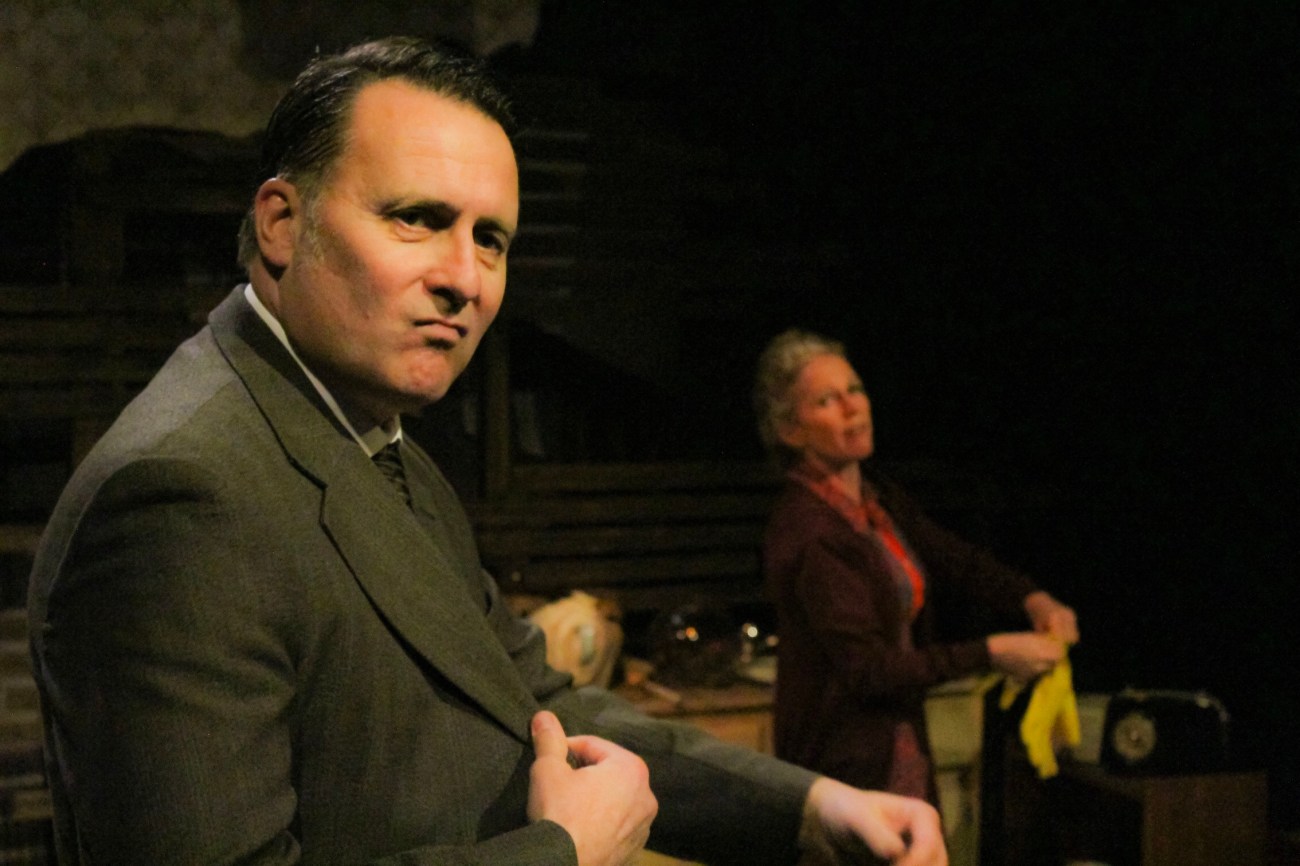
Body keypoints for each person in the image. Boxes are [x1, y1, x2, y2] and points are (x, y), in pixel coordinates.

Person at [27, 38, 946, 866]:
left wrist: (815, 805)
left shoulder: (380, 448)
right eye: (417, 219)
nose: (464, 279)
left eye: (491, 239)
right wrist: (563, 854)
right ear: (280, 224)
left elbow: (538, 704)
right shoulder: (181, 497)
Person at [753, 329, 1079, 805]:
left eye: (855, 389)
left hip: (896, 744)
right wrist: (991, 652)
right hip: (846, 761)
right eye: (826, 400)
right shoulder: (811, 531)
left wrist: (1033, 599)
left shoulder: (873, 500)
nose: (851, 407)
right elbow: (869, 671)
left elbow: (955, 559)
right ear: (790, 431)